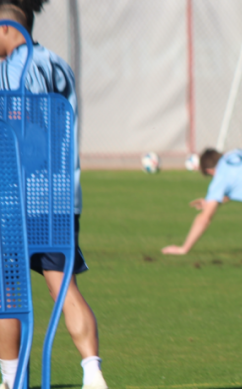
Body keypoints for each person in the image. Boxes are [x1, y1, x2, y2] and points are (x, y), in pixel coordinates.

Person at [0, 2, 108, 389]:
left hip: (16, 195)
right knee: (64, 287)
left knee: (7, 290)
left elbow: (17, 131)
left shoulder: (12, 70)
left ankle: (11, 381)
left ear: (6, 28)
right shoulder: (58, 64)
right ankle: (93, 374)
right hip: (60, 194)